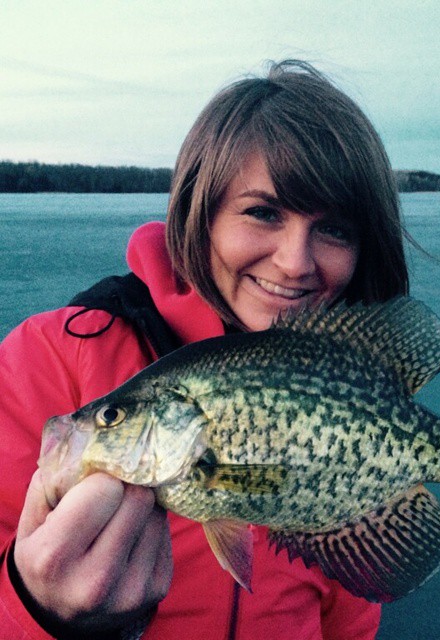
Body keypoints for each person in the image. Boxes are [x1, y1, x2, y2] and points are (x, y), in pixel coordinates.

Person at [0, 60, 409, 639]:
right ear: (201, 212)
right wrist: (37, 612)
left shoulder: (355, 393)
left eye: (335, 229)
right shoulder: (46, 358)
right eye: (263, 213)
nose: (295, 261)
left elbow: (348, 622)